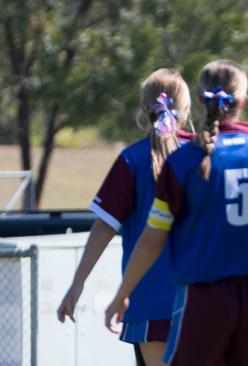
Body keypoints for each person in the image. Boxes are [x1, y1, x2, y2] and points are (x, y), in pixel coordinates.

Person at [104, 59, 248, 366]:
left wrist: (123, 293)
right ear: (242, 101)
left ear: (202, 101)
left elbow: (152, 240)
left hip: (206, 298)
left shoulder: (183, 162)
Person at [57, 68, 193, 366]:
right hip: (205, 300)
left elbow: (105, 226)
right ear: (187, 109)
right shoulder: (207, 155)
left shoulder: (132, 159)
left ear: (144, 108)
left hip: (148, 299)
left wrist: (77, 283)